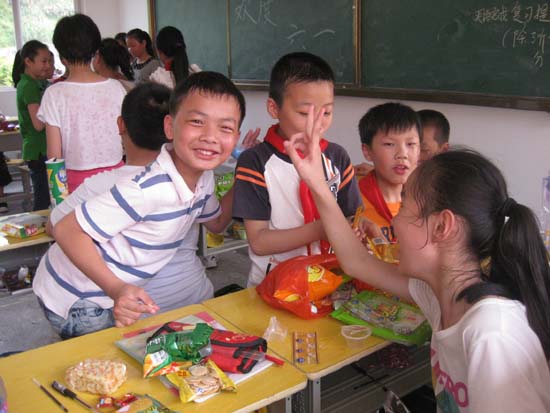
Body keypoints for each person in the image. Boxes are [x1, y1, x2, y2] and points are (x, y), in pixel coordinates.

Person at [285, 108, 550, 412]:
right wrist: (317, 183)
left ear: (441, 226)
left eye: (405, 208)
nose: (394, 222)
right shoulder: (440, 297)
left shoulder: (491, 335)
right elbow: (357, 262)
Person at [33, 71, 246, 338]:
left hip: (102, 290)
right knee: (108, 359)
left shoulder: (203, 179)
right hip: (79, 297)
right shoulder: (147, 188)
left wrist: (245, 174)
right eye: (197, 121)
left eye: (225, 127)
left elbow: (216, 223)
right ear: (169, 127)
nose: (210, 136)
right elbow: (66, 229)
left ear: (236, 137)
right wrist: (116, 288)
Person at [233, 52, 362, 287]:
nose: (317, 123)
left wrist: (360, 225)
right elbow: (259, 242)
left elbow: (351, 216)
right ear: (274, 108)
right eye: (304, 113)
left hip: (331, 281)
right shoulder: (255, 163)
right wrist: (324, 228)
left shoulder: (337, 157)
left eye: (327, 112)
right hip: (274, 286)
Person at [38, 14, 126, 193]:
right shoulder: (117, 88)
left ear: (61, 55)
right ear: (96, 51)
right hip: (117, 181)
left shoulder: (54, 94)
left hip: (75, 187)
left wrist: (58, 203)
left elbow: (54, 158)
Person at [356, 102, 421, 244]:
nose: (402, 154)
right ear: (367, 151)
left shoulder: (426, 202)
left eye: (410, 144)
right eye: (389, 144)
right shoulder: (353, 202)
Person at [12, 40, 51, 210]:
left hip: (41, 148)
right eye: (44, 61)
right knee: (43, 199)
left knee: (47, 196)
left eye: (49, 61)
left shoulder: (36, 83)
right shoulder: (28, 85)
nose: (47, 66)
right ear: (28, 61)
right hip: (38, 150)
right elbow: (38, 124)